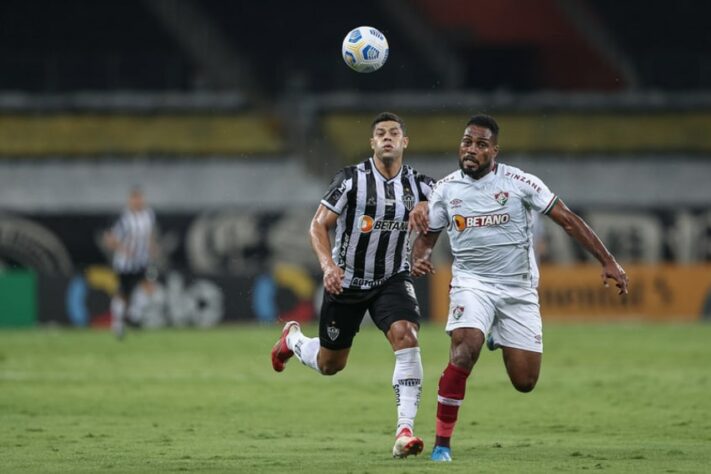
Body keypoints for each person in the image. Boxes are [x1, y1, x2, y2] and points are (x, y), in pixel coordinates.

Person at [409, 114, 629, 462]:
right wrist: (417, 258)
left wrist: (607, 260)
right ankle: (442, 445)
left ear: (494, 151)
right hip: (472, 283)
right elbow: (426, 239)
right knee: (465, 348)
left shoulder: (520, 182)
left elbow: (568, 220)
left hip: (517, 289)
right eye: (467, 142)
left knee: (525, 382)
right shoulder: (445, 189)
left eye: (481, 144)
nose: (471, 150)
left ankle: (495, 330)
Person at [270, 112, 435, 458]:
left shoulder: (422, 186)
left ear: (405, 142)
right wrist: (328, 266)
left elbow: (447, 212)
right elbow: (318, 226)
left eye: (394, 133)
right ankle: (294, 339)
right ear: (372, 143)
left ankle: (404, 431)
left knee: (408, 337)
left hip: (392, 277)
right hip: (347, 282)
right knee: (331, 365)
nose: (387, 138)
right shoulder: (350, 180)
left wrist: (423, 243)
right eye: (380, 133)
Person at [103, 187, 158, 339]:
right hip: (125, 263)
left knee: (150, 286)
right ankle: (118, 325)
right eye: (135, 199)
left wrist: (152, 248)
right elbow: (109, 239)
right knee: (122, 293)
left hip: (143, 261)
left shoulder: (149, 215)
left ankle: (134, 316)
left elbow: (150, 235)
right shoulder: (124, 218)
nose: (138, 202)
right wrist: (123, 249)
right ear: (130, 201)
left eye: (140, 198)